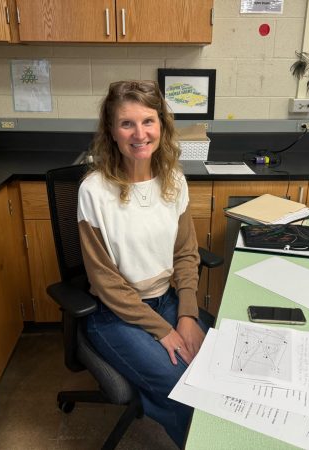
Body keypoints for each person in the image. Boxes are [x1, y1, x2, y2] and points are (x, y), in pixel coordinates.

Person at [77, 80, 205, 447]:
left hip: (167, 301)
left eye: (148, 121)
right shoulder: (94, 190)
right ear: (111, 132)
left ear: (161, 126)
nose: (139, 133)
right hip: (114, 314)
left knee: (217, 370)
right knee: (182, 385)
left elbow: (185, 255)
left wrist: (187, 316)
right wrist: (164, 332)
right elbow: (105, 283)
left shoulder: (174, 181)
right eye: (126, 123)